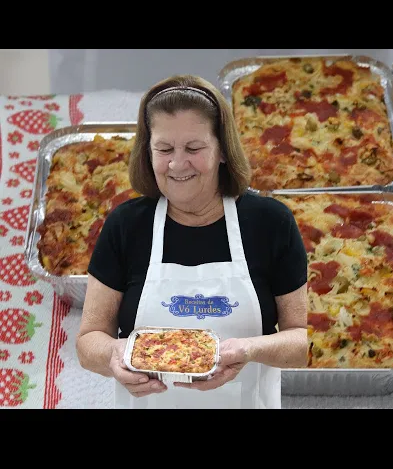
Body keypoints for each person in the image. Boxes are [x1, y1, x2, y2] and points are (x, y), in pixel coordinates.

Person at [75, 74, 309, 409]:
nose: (177, 163)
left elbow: (299, 344)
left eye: (194, 148)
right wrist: (114, 353)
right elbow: (88, 343)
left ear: (223, 151)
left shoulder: (271, 222)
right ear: (148, 152)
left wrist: (248, 350)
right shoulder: (125, 225)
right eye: (164, 149)